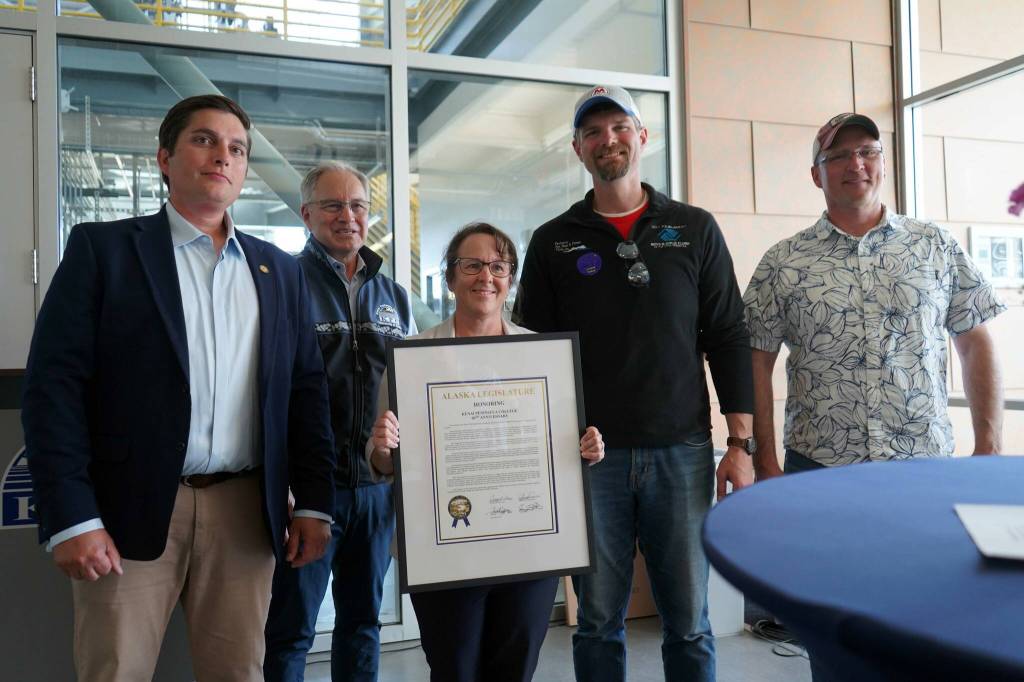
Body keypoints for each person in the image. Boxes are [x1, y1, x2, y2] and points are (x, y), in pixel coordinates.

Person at [21, 94, 336, 681]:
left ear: (244, 170)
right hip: (128, 510)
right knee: (116, 671)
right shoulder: (105, 251)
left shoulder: (278, 270)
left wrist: (315, 501)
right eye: (204, 140)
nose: (223, 156)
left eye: (237, 148)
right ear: (165, 158)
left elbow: (304, 391)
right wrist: (72, 517)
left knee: (238, 673)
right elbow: (54, 388)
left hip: (246, 512)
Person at [513, 85, 755, 682]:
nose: (607, 140)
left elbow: (726, 335)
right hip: (591, 459)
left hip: (684, 452)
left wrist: (740, 444)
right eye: (593, 132)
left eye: (619, 127)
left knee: (690, 621)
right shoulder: (553, 241)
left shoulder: (693, 228)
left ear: (642, 136)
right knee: (596, 619)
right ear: (577, 148)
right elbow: (532, 353)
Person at [367, 222, 606, 682]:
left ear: (510, 277)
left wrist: (588, 448)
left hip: (529, 548)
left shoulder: (542, 357)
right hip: (444, 546)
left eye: (498, 266)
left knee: (514, 667)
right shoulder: (412, 358)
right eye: (472, 265)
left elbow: (564, 446)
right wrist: (382, 447)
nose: (485, 276)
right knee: (454, 668)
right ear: (451, 276)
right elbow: (383, 464)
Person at [744, 112, 1004, 483]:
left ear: (883, 162)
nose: (856, 163)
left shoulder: (934, 245)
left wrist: (989, 447)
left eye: (868, 151)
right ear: (816, 175)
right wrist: (764, 462)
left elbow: (976, 343)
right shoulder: (782, 262)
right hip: (819, 469)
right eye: (838, 156)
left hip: (923, 463)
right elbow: (756, 361)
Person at [264, 161, 416, 682]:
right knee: (291, 630)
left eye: (357, 206)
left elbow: (409, 389)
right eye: (332, 205)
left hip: (375, 491)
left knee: (362, 624)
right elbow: (266, 390)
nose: (347, 216)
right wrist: (282, 484)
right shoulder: (282, 283)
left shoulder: (392, 295)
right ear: (307, 214)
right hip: (311, 492)